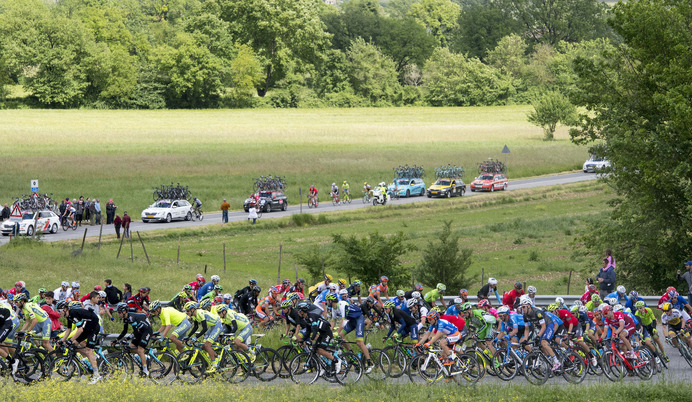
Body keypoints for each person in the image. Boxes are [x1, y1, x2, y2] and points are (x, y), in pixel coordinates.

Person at [57, 301, 102, 384]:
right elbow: (68, 330)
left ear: (65, 309)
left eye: (59, 310)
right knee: (74, 345)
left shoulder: (73, 313)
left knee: (88, 350)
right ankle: (92, 358)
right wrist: (62, 341)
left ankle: (97, 375)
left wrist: (70, 340)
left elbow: (80, 329)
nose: (58, 312)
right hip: (87, 328)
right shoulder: (69, 316)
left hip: (94, 327)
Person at [115, 302, 153, 376]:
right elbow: (124, 331)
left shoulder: (131, 318)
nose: (118, 314)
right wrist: (116, 340)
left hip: (146, 331)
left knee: (140, 349)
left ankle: (145, 370)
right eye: (118, 312)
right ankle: (144, 357)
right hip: (140, 331)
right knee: (131, 347)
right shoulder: (125, 319)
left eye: (119, 312)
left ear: (124, 311)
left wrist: (126, 339)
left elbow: (135, 332)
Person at [185, 301, 223, 373]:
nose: (187, 312)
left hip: (217, 325)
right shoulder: (194, 315)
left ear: (193, 309)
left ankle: (214, 365)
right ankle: (217, 357)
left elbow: (205, 328)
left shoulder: (199, 313)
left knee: (207, 345)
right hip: (212, 326)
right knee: (203, 347)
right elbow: (195, 327)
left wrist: (196, 337)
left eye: (188, 310)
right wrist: (188, 336)